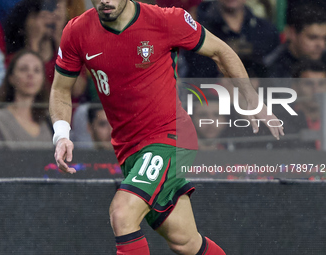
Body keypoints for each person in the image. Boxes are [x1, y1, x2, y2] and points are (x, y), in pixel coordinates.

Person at [49, 1, 284, 254]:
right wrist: (61, 135)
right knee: (185, 241)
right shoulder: (76, 31)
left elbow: (221, 50)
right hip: (129, 149)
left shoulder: (165, 20)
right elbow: (61, 89)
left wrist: (250, 98)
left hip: (170, 137)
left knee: (122, 212)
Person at [181, 0, 280, 78]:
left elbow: (275, 77)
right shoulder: (196, 29)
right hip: (210, 99)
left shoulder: (266, 31)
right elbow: (192, 79)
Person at [0, 49, 52, 149]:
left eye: (37, 70)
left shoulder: (49, 121)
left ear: (43, 79)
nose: (30, 74)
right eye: (23, 69)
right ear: (11, 78)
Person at [264, 3, 326, 78]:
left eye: (324, 38)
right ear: (292, 33)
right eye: (312, 37)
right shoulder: (271, 69)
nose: (321, 45)